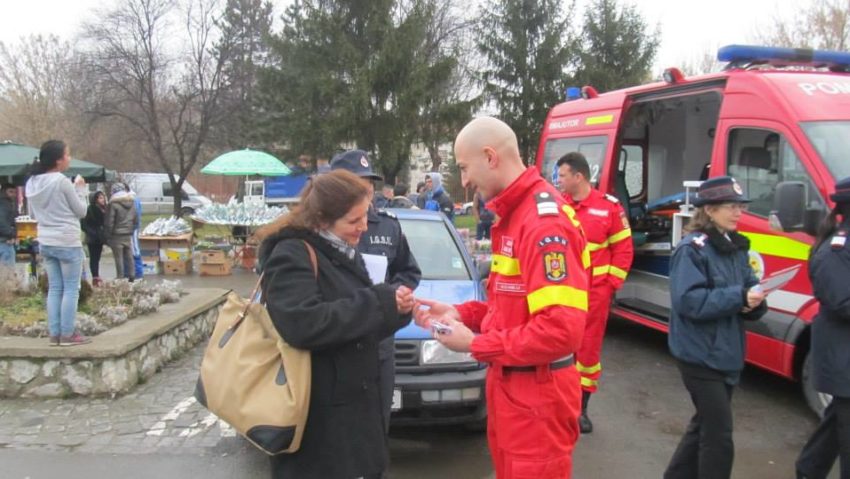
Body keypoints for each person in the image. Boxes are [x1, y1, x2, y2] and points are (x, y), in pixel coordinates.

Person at [413, 117, 589, 478]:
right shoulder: (516, 214)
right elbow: (510, 308)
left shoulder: (542, 223)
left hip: (536, 394)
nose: (463, 181)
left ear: (490, 156)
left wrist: (476, 345)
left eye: (464, 168)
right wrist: (461, 313)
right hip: (515, 387)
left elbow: (560, 331)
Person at [255, 169, 415, 479]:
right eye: (354, 222)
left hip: (350, 413)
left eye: (364, 217)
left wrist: (396, 309)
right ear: (322, 220)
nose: (364, 228)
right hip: (319, 421)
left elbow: (355, 322)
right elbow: (303, 324)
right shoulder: (292, 254)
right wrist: (379, 302)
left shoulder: (338, 250)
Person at [664, 176, 767, 479]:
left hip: (726, 353)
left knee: (704, 426)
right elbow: (689, 302)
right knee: (719, 436)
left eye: (740, 206)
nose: (738, 212)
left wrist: (755, 302)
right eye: (731, 207)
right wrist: (738, 297)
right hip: (699, 355)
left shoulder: (735, 248)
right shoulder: (692, 250)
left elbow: (749, 287)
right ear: (709, 210)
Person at [329, 150, 421, 455]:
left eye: (369, 183)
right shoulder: (315, 229)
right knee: (333, 433)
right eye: (358, 182)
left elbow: (408, 270)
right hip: (333, 347)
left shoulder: (388, 226)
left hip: (378, 346)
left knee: (376, 427)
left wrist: (395, 294)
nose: (366, 189)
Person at [556, 151, 634, 433]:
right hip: (562, 292)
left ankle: (581, 409)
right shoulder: (558, 205)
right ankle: (558, 403)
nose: (558, 180)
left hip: (594, 294)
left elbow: (623, 251)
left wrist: (611, 285)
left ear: (579, 177)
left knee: (587, 352)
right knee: (557, 346)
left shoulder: (609, 207)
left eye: (562, 175)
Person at [795, 176, 850, 479]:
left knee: (834, 425)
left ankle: (808, 470)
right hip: (843, 356)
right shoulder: (837, 250)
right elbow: (843, 302)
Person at [25, 140, 90, 346]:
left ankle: (54, 333)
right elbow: (81, 211)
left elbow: (32, 213)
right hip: (67, 240)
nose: (69, 158)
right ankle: (68, 333)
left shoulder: (31, 182)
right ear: (58, 160)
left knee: (54, 288)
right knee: (71, 287)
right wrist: (81, 190)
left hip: (46, 239)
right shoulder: (61, 182)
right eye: (67, 155)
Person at [105, 183, 139, 282]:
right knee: (129, 255)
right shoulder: (132, 203)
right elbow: (136, 220)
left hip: (116, 234)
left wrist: (108, 234)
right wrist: (131, 229)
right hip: (128, 233)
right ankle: (132, 275)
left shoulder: (113, 204)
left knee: (118, 257)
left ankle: (120, 276)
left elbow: (110, 221)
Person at [81, 191, 107, 286]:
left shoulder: (104, 209)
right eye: (100, 198)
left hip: (100, 238)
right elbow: (83, 224)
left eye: (103, 197)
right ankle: (95, 276)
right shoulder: (90, 209)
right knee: (94, 257)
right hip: (92, 238)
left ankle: (96, 275)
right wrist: (92, 232)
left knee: (97, 257)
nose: (103, 199)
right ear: (95, 199)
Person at [0, 185, 17, 267]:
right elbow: (1, 220)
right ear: (3, 192)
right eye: (10, 192)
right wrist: (12, 234)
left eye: (15, 192)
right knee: (7, 274)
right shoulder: (4, 204)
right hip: (4, 241)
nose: (13, 195)